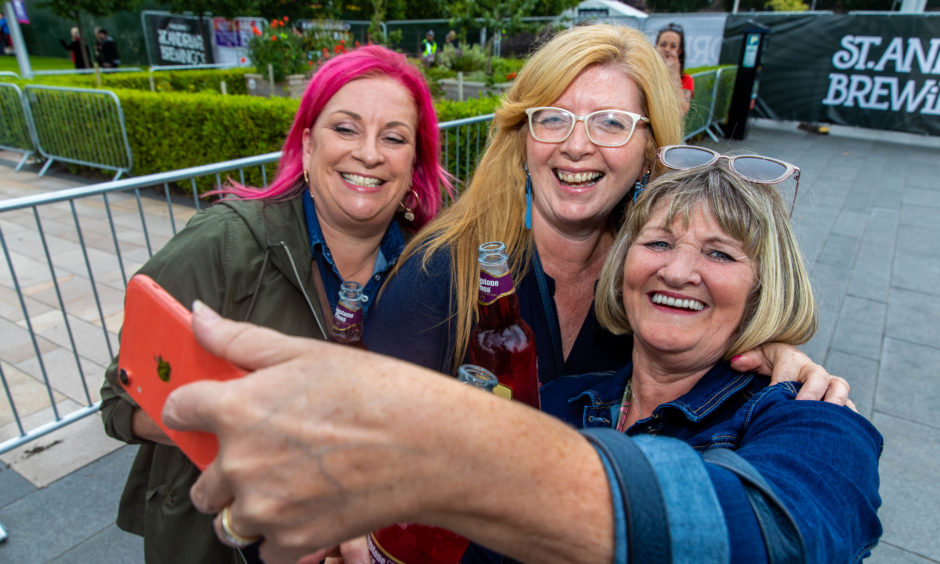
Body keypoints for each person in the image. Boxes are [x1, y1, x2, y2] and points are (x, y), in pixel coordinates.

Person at [160, 151, 882, 564]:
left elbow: (778, 537)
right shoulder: (568, 400)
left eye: (719, 253)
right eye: (658, 243)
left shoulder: (816, 421)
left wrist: (427, 438)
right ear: (623, 267)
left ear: (766, 286)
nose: (678, 270)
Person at [99, 45, 450, 564]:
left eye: (394, 137)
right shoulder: (225, 243)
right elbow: (120, 398)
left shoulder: (434, 266)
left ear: (413, 162)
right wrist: (245, 426)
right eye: (346, 129)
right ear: (308, 146)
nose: (370, 153)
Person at [368, 24, 848, 401]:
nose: (577, 146)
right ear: (523, 141)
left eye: (611, 123)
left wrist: (775, 356)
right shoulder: (440, 275)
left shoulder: (660, 278)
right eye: (552, 118)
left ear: (650, 150)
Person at [655, 23, 693, 117]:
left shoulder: (687, 80)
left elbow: (681, 111)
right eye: (663, 45)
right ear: (656, 46)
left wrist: (675, 73)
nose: (667, 49)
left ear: (679, 51)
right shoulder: (645, 73)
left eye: (673, 46)